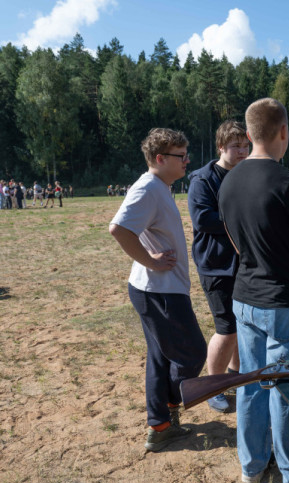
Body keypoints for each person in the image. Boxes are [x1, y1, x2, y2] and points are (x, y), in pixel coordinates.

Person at [219, 98, 289, 483]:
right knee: (286, 388)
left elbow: (236, 244)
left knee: (251, 382)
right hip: (285, 302)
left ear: (248, 135)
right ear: (284, 132)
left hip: (245, 296)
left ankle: (252, 465)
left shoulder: (228, 181)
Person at [109, 128, 207, 452]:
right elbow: (118, 229)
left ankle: (161, 425)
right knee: (193, 353)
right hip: (159, 291)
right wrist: (150, 261)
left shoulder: (160, 186)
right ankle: (169, 406)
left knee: (161, 357)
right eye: (181, 156)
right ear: (161, 158)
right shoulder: (148, 188)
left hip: (159, 288)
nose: (187, 161)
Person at [187, 120, 249, 412]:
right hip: (216, 265)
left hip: (244, 264)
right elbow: (203, 219)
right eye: (236, 146)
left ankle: (234, 377)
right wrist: (243, 219)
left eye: (245, 146)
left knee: (241, 325)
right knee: (226, 328)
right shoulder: (203, 180)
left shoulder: (246, 175)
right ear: (221, 147)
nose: (242, 151)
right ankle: (213, 386)